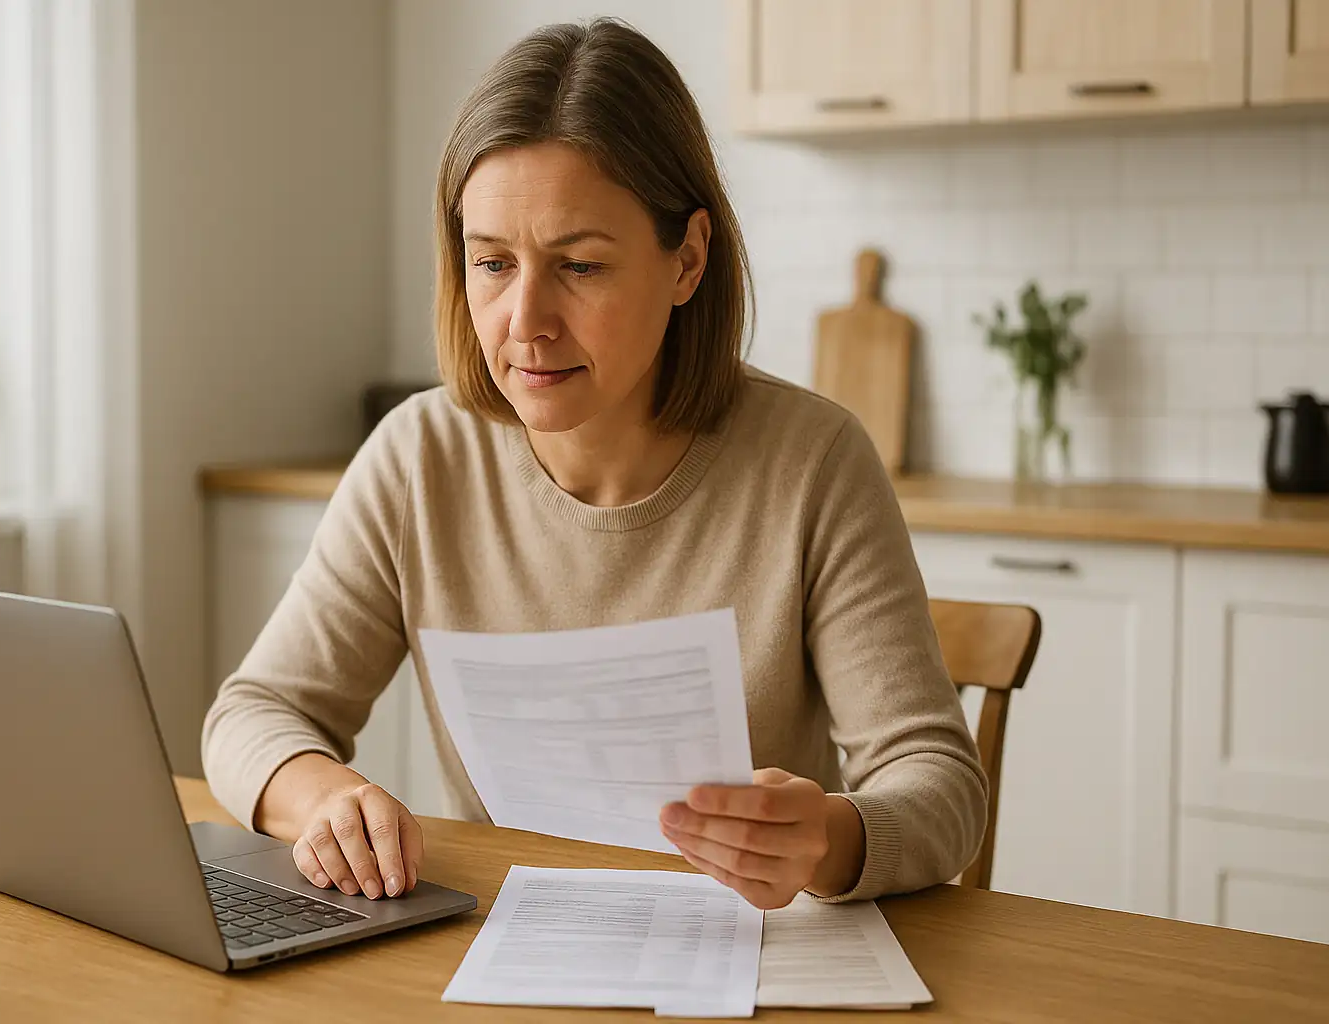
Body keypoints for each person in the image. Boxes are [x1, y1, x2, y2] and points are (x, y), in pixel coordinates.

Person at [202, 17, 986, 911]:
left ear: (687, 260)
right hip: (511, 952)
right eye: (492, 263)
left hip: (758, 963)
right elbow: (251, 715)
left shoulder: (812, 462)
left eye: (579, 265)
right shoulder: (421, 457)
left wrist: (829, 839)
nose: (525, 319)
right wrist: (324, 799)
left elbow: (940, 786)